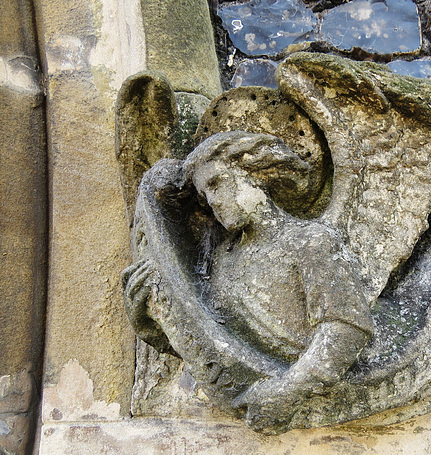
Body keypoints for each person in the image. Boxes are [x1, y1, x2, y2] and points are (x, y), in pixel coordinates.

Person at [127, 131, 373, 432]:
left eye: (217, 184)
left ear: (254, 174)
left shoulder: (310, 242)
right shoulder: (221, 260)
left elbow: (345, 333)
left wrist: (288, 390)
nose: (214, 202)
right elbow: (211, 344)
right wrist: (150, 318)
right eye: (205, 196)